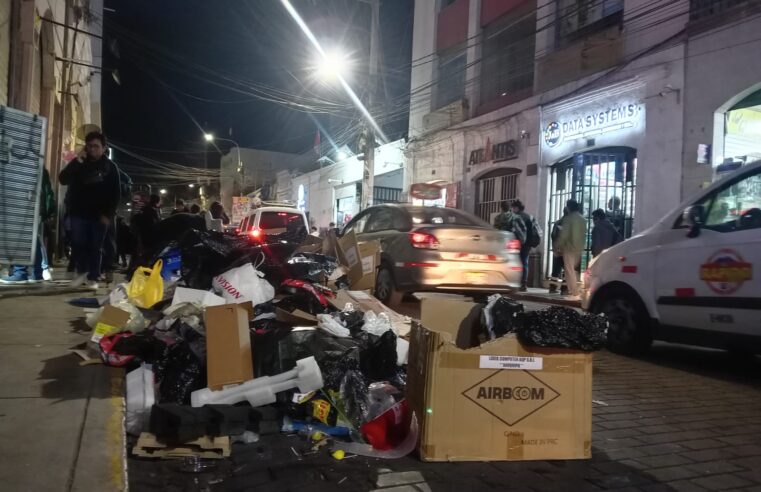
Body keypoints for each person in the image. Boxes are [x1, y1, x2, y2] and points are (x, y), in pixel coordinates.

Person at [58, 131, 121, 289]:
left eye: (96, 146)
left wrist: (109, 214)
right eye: (90, 146)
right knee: (78, 244)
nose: (92, 149)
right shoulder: (80, 163)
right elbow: (63, 179)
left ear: (104, 148)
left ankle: (93, 277)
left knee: (95, 246)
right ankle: (82, 273)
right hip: (79, 213)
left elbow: (116, 192)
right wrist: (76, 161)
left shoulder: (110, 167)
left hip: (100, 215)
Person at [0, 168, 56, 284]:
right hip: (34, 207)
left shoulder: (28, 165)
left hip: (28, 206)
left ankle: (21, 272)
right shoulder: (39, 166)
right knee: (33, 240)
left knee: (22, 237)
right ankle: (36, 273)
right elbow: (47, 191)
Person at [555, 199, 586, 297]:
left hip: (569, 248)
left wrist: (557, 246)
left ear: (569, 207)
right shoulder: (583, 219)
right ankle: (576, 289)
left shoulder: (568, 219)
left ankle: (574, 292)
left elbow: (564, 235)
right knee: (574, 270)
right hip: (579, 248)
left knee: (569, 271)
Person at [508, 199, 535, 292]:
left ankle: (519, 282)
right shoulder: (529, 216)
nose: (512, 209)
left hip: (519, 242)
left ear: (517, 208)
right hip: (527, 243)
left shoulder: (517, 217)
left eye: (513, 207)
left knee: (518, 262)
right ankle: (524, 283)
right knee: (524, 262)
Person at [548, 207, 568, 294]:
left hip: (557, 249)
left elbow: (553, 235)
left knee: (555, 269)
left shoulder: (557, 223)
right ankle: (564, 289)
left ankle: (552, 288)